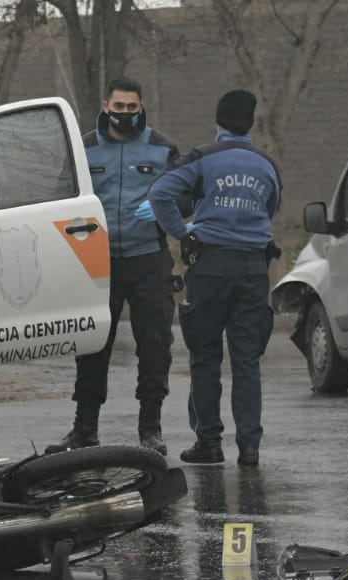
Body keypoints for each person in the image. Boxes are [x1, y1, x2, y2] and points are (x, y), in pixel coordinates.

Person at [145, 90, 281, 467]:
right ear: (251, 123)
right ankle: (249, 447)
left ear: (218, 121)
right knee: (247, 360)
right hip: (254, 268)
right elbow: (272, 207)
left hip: (210, 265)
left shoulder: (203, 158)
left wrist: (183, 234)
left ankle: (209, 442)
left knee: (205, 356)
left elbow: (159, 194)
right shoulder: (266, 164)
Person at [47, 77, 181, 456]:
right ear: (106, 105)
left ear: (142, 107)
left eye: (132, 108)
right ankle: (84, 429)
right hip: (97, 261)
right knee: (92, 345)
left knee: (155, 345)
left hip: (148, 258)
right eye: (118, 107)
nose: (124, 114)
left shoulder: (162, 149)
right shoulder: (84, 148)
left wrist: (165, 208)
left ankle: (150, 429)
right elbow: (62, 198)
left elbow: (185, 197)